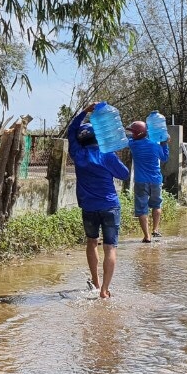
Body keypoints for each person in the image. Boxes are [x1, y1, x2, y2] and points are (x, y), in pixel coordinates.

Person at [66, 103, 131, 299]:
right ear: (100, 137)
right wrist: (114, 159)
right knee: (110, 247)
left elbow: (71, 131)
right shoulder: (107, 155)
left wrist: (84, 112)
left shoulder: (77, 155)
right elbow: (125, 174)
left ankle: (95, 281)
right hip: (110, 206)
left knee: (92, 242)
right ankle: (104, 289)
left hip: (89, 207)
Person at [126, 120, 169, 243]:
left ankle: (147, 236)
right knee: (156, 205)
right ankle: (155, 230)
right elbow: (164, 158)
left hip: (141, 181)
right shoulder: (155, 145)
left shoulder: (133, 145)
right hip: (155, 180)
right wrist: (165, 144)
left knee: (142, 209)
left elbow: (128, 138)